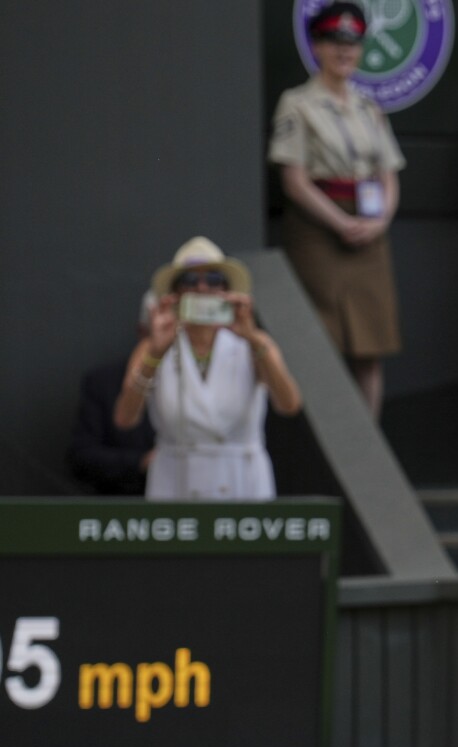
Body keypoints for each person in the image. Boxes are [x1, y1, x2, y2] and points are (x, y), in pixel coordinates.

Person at [269, 1, 404, 419]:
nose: (343, 51)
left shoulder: (369, 108)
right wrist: (341, 221)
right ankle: (330, 449)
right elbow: (294, 180)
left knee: (371, 345)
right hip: (320, 230)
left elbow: (389, 173)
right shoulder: (297, 103)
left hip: (369, 230)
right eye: (333, 42)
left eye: (352, 43)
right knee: (321, 346)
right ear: (317, 46)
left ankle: (369, 447)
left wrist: (380, 220)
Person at [113, 237, 303, 501]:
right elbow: (125, 418)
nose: (202, 288)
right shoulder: (152, 348)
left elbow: (289, 404)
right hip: (177, 480)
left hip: (241, 480)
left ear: (227, 290)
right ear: (176, 293)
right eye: (190, 281)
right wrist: (155, 354)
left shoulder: (252, 343)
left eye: (214, 280)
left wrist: (253, 337)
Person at [68, 294, 157, 495]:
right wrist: (142, 462)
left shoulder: (227, 374)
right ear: (143, 332)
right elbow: (82, 457)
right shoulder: (104, 382)